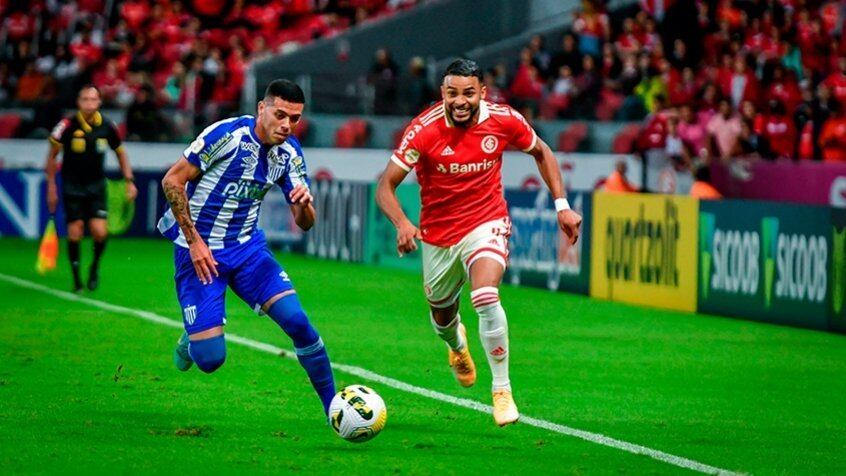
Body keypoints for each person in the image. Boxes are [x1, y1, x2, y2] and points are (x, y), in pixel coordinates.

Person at [375, 59, 582, 427]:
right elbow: (385, 186)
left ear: (482, 93)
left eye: (468, 93)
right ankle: (457, 345)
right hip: (439, 235)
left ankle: (502, 390)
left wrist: (562, 206)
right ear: (443, 93)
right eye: (452, 93)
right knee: (442, 318)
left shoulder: (504, 119)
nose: (460, 101)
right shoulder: (423, 129)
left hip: (486, 222)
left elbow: (542, 152)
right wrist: (403, 222)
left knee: (485, 295)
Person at [157, 79, 336, 418]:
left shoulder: (290, 153)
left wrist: (304, 205)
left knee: (298, 322)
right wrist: (195, 242)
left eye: (294, 118)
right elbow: (172, 180)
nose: (287, 125)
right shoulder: (227, 136)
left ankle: (334, 409)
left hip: (247, 251)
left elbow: (305, 222)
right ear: (261, 109)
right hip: (200, 253)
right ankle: (193, 337)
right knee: (210, 359)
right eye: (280, 115)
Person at [45, 85, 137, 292]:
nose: (89, 103)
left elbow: (121, 153)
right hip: (72, 186)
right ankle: (76, 278)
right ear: (79, 102)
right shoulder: (66, 125)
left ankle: (94, 266)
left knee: (100, 232)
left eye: (93, 99)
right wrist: (51, 186)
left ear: (99, 102)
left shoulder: (107, 126)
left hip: (96, 186)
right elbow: (52, 156)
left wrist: (129, 180)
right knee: (75, 232)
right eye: (85, 99)